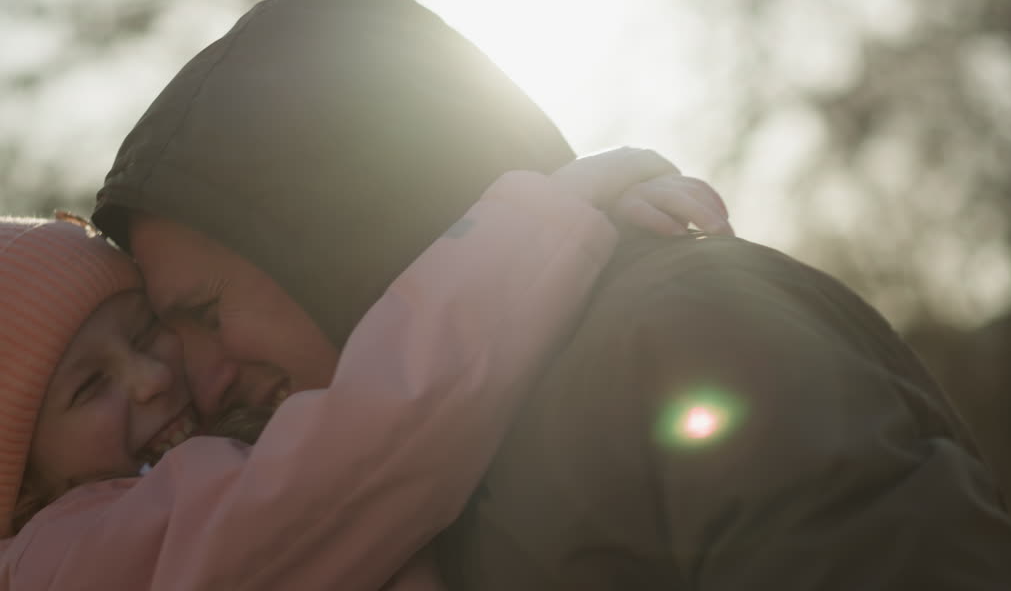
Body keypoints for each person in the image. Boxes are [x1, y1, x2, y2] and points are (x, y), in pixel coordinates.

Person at [93, 0, 1011, 589]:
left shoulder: (684, 332)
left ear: (329, 217)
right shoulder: (372, 493)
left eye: (206, 314)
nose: (201, 382)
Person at [1, 151, 732, 590]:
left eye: (146, 332)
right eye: (88, 386)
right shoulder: (62, 564)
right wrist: (550, 222)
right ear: (22, 475)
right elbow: (364, 443)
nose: (150, 378)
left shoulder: (206, 461)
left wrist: (598, 243)